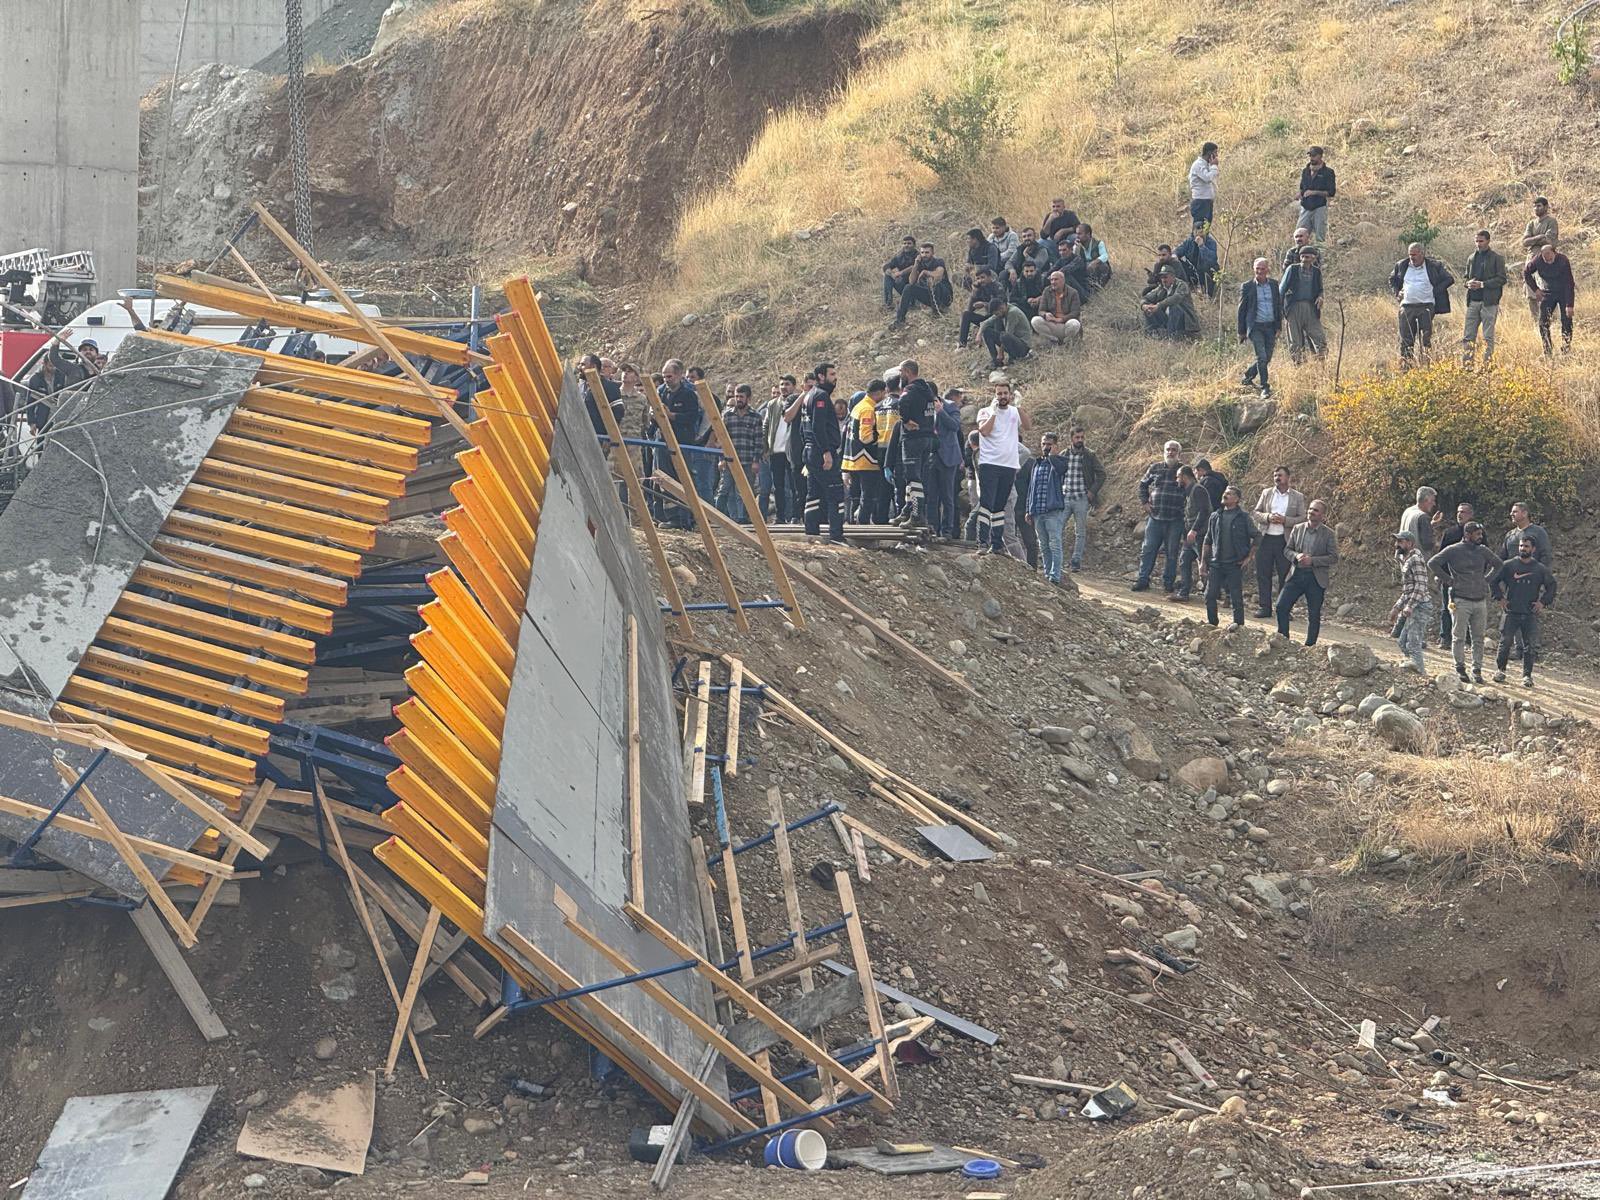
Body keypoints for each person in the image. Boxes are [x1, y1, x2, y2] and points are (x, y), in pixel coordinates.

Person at [1429, 521, 1499, 683]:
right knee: (1458, 636)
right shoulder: (1453, 550)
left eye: (1481, 534)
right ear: (1467, 535)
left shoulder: (1482, 550)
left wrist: (1486, 580)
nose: (1480, 537)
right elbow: (1433, 563)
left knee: (1478, 638)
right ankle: (1460, 667)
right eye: (1477, 534)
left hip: (1480, 599)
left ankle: (1477, 669)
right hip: (1460, 599)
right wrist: (1449, 580)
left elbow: (1498, 564)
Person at [1490, 536, 1557, 687]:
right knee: (1505, 643)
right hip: (1511, 611)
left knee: (1530, 646)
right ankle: (1500, 671)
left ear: (1533, 549)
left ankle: (1527, 676)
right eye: (1521, 546)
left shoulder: (1540, 569)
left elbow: (1552, 586)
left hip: (1529, 613)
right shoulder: (1508, 565)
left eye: (1526, 546)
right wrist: (1500, 598)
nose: (1523, 549)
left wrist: (1542, 602)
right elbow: (1493, 581)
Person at [974, 379, 1029, 554]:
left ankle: (996, 543)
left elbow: (1028, 426)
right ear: (995, 395)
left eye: (1005, 393)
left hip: (1009, 465)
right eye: (999, 393)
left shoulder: (1014, 411)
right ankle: (983, 542)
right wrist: (994, 413)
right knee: (986, 503)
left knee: (1000, 506)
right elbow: (984, 431)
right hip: (990, 463)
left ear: (1010, 395)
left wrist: (1019, 407)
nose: (1002, 396)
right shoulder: (985, 411)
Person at [1275, 499, 1338, 646]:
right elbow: (1287, 550)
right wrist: (1296, 556)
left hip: (1315, 578)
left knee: (1313, 614)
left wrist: (1313, 560)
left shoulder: (1328, 534)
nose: (1311, 512)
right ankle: (1283, 640)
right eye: (1310, 509)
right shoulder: (1297, 528)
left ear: (1322, 515)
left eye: (1315, 510)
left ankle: (1310, 647)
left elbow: (1333, 557)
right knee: (1281, 606)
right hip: (1296, 574)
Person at [892, 359, 940, 531]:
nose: (900, 376)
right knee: (915, 477)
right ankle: (908, 509)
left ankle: (916, 515)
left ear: (907, 372)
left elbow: (902, 403)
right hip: (928, 438)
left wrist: (905, 420)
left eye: (901, 372)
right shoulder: (927, 390)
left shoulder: (910, 390)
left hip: (913, 437)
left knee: (913, 477)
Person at [1252, 465, 1306, 616]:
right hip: (1266, 538)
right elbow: (1256, 513)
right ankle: (1265, 607)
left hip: (1285, 541)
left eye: (1280, 475)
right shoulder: (1267, 493)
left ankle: (1284, 609)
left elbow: (1303, 518)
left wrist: (1285, 520)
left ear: (1288, 477)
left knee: (1285, 575)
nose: (1277, 478)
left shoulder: (1297, 496)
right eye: (1275, 475)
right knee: (1263, 573)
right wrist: (1268, 517)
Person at [1200, 485, 1257, 627]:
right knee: (1209, 595)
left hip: (1235, 564)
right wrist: (1203, 562)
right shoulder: (1215, 516)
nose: (1225, 495)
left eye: (1229, 493)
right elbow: (1208, 540)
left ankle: (1239, 626)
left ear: (1237, 499)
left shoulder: (1243, 517)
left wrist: (1249, 557)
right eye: (1225, 492)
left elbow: (1257, 536)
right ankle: (1212, 624)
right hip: (1216, 563)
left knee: (1236, 598)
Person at [800, 363, 844, 542]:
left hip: (810, 450)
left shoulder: (808, 396)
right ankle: (836, 536)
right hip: (821, 452)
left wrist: (808, 450)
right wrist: (826, 452)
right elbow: (817, 427)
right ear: (821, 376)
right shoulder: (821, 396)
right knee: (836, 493)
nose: (835, 378)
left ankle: (811, 533)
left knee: (814, 494)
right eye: (832, 374)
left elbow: (802, 428)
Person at [1134, 440, 1186, 593]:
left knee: (1172, 552)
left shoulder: (1184, 470)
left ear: (1179, 453)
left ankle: (1168, 583)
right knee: (1148, 549)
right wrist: (1145, 502)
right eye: (1168, 449)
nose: (1170, 452)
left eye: (1174, 450)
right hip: (1155, 517)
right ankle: (1143, 580)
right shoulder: (1155, 467)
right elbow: (1143, 485)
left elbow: (1191, 489)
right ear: (1164, 452)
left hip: (1175, 519)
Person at [1389, 242, 1455, 363]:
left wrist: (1434, 291)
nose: (1412, 257)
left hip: (1426, 307)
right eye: (1410, 254)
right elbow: (1392, 279)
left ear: (1422, 254)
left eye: (1414, 254)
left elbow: (1449, 279)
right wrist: (1397, 293)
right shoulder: (1402, 265)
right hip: (1406, 307)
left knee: (1425, 339)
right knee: (1406, 340)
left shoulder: (1434, 266)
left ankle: (1426, 366)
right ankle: (1406, 367)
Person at [655, 359, 701, 528]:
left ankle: (688, 517)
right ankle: (672, 517)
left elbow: (692, 417)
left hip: (682, 442)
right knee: (665, 479)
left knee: (684, 479)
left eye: (670, 376)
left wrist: (672, 416)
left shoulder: (689, 394)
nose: (666, 380)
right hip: (663, 441)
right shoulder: (660, 392)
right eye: (664, 376)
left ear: (680, 375)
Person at [715, 384, 765, 523]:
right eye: (736, 396)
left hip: (747, 460)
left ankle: (743, 519)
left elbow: (758, 440)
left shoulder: (755, 416)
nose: (738, 399)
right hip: (729, 460)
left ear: (748, 398)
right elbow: (721, 439)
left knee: (744, 491)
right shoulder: (727, 415)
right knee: (724, 489)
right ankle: (717, 516)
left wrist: (756, 461)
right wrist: (721, 458)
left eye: (741, 397)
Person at [1025, 432, 1071, 583]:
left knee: (1055, 544)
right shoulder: (1037, 463)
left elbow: (1061, 470)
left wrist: (1052, 456)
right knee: (1044, 545)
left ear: (1056, 446)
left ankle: (1055, 576)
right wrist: (1029, 509)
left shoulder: (1061, 461)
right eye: (1043, 444)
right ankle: (1047, 574)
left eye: (1049, 444)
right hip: (1038, 511)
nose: (1045, 447)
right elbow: (1032, 487)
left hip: (1053, 511)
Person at [1237, 258, 1284, 397]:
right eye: (1257, 268)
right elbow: (1241, 310)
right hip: (1255, 326)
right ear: (1253, 269)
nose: (1259, 271)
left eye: (1262, 268)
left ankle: (1248, 376)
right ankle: (1265, 387)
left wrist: (1279, 326)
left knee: (1267, 357)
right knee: (1262, 357)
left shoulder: (1274, 285)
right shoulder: (1247, 286)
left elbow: (1278, 306)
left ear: (1267, 269)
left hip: (1270, 326)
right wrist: (1241, 331)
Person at [1059, 425, 1103, 573]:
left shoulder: (1089, 455)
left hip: (1081, 498)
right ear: (1071, 438)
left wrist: (1092, 491)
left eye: (1082, 437)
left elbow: (1102, 474)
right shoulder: (1064, 454)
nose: (1080, 440)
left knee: (1080, 532)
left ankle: (1076, 561)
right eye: (1077, 437)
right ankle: (1057, 559)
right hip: (1065, 497)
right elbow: (1057, 474)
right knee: (1058, 528)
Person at [1460, 229, 1507, 367]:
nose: (1478, 244)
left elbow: (1502, 279)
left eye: (1481, 241)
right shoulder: (1471, 258)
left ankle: (1487, 367)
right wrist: (1468, 283)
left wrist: (1483, 284)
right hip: (1473, 302)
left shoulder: (1497, 258)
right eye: (1476, 241)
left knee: (1488, 337)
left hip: (1489, 303)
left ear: (1488, 241)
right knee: (1468, 336)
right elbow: (1465, 278)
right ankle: (1467, 367)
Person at [1389, 529, 1434, 673]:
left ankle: (1420, 674)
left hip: (1421, 606)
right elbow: (1407, 590)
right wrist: (1397, 607)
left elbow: (1421, 585)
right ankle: (1414, 670)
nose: (1397, 544)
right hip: (1413, 606)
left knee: (1413, 643)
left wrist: (1409, 606)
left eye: (1400, 541)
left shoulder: (1415, 559)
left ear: (1410, 543)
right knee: (1402, 642)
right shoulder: (1405, 559)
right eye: (1396, 541)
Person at [843, 379, 885, 523]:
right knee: (868, 496)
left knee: (857, 495)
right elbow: (865, 437)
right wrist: (880, 439)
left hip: (853, 459)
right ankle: (863, 523)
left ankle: (854, 522)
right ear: (878, 393)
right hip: (866, 460)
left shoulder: (858, 406)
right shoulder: (868, 408)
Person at [1524, 243, 1575, 356]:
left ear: (1554, 253)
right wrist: (1535, 289)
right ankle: (1547, 350)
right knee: (1543, 322)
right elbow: (1526, 273)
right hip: (1548, 292)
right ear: (1541, 255)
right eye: (1545, 257)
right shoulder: (1537, 260)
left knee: (1566, 320)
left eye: (1550, 256)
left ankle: (1566, 349)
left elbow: (1569, 283)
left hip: (1563, 292)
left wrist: (1569, 304)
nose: (1548, 259)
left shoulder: (1563, 260)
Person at [1436, 500, 1476, 648]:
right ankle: (1445, 638)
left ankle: (1468, 640)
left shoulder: (1478, 533)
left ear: (1471, 515)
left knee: (1469, 609)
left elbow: (1484, 556)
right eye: (1458, 512)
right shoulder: (1450, 533)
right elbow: (1440, 556)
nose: (1460, 515)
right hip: (1450, 578)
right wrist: (1441, 575)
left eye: (1463, 512)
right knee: (1448, 608)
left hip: (1470, 580)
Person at [1172, 464, 1211, 601]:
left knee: (1205, 565)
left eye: (1178, 477)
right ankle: (1184, 593)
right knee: (1184, 560)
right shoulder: (1189, 491)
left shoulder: (1198, 490)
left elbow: (1204, 511)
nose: (1177, 480)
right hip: (1191, 535)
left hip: (1200, 535)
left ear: (1184, 476)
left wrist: (1194, 530)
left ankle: (1212, 594)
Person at [1280, 247, 1326, 363]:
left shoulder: (1316, 272)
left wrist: (1320, 297)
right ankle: (1299, 367)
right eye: (1303, 256)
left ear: (1313, 258)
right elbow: (1281, 290)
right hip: (1293, 308)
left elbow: (1320, 289)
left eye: (1307, 256)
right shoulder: (1292, 269)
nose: (1304, 259)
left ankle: (1322, 366)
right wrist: (1280, 310)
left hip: (1311, 308)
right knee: (1295, 342)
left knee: (1320, 339)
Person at [930, 388, 965, 539]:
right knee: (932, 497)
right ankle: (932, 529)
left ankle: (947, 531)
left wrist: (940, 411)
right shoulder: (923, 407)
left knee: (947, 496)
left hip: (948, 456)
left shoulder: (950, 406)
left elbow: (954, 426)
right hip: (931, 456)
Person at [1522, 196, 1560, 323]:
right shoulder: (1531, 223)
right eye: (1534, 206)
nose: (1536, 209)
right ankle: (1536, 322)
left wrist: (1533, 239)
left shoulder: (1551, 221)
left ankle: (1551, 321)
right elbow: (1524, 242)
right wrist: (1539, 237)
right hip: (1531, 259)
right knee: (1530, 292)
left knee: (1547, 291)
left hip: (1545, 260)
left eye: (1539, 206)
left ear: (1546, 207)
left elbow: (1548, 240)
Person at [892, 243, 951, 323]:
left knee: (934, 282)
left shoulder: (938, 261)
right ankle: (900, 320)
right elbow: (911, 281)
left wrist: (925, 272)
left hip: (944, 296)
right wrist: (916, 264)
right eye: (922, 252)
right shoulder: (920, 264)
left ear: (932, 253)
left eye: (927, 252)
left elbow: (938, 275)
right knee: (908, 287)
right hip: (930, 296)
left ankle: (937, 312)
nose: (924, 255)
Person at [875, 372, 904, 523]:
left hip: (879, 449)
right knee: (899, 487)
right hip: (896, 449)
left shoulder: (878, 406)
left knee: (882, 489)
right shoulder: (900, 404)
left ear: (886, 388)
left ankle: (881, 519)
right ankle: (899, 515)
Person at [1144, 265, 1201, 339]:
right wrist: (1144, 306)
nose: (1163, 280)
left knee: (1174, 307)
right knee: (1149, 308)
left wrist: (1158, 305)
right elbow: (1146, 298)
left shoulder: (1182, 285)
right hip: (1169, 320)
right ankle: (1152, 333)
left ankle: (1171, 335)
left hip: (1185, 322)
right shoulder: (1162, 287)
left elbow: (1176, 298)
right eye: (1161, 277)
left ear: (1173, 277)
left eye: (1165, 277)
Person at [1296, 145, 1336, 243]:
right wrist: (1300, 194)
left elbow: (1331, 192)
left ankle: (1320, 252)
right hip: (1306, 206)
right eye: (1310, 155)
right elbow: (1302, 188)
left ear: (1320, 156)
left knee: (1320, 236)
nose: (1311, 158)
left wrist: (1314, 192)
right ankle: (1300, 252)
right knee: (1300, 234)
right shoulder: (1305, 171)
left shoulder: (1328, 172)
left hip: (1319, 207)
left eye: (1314, 156)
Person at [959, 267, 1005, 350]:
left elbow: (1000, 305)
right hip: (988, 319)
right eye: (978, 278)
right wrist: (974, 293)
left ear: (989, 277)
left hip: (999, 318)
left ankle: (998, 343)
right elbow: (970, 309)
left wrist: (985, 304)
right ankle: (962, 345)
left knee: (997, 319)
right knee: (966, 314)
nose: (980, 280)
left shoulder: (997, 286)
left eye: (983, 277)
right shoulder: (980, 288)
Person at [1032, 271, 1083, 345]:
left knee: (1075, 323)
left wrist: (1061, 319)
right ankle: (1053, 340)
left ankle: (1066, 342)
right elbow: (1041, 311)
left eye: (1056, 279)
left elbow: (1075, 312)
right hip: (1052, 324)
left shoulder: (1073, 293)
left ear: (1063, 280)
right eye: (1051, 280)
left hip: (1066, 325)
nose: (1053, 282)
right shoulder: (1047, 291)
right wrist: (1045, 314)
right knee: (1035, 320)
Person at [980, 299, 1032, 368]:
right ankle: (995, 361)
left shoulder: (1012, 312)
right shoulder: (1003, 310)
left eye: (997, 314)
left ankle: (1013, 358)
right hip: (1012, 341)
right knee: (987, 332)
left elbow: (1008, 333)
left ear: (1001, 308)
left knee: (1004, 335)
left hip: (1023, 346)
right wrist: (979, 335)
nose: (997, 316)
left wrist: (1000, 352)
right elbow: (986, 322)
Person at [1176, 222, 1220, 299]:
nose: (1199, 235)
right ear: (1193, 232)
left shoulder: (1211, 243)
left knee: (1209, 267)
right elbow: (1178, 250)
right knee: (1178, 263)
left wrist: (1202, 246)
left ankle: (1207, 293)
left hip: (1206, 271)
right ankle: (1186, 288)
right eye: (1197, 232)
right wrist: (1175, 255)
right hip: (1193, 271)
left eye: (1202, 232)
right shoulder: (1189, 241)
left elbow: (1212, 259)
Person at [881, 235, 919, 310]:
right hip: (903, 285)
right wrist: (892, 274)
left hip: (916, 287)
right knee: (887, 276)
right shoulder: (900, 256)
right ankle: (888, 303)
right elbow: (886, 266)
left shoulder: (919, 255)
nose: (906, 245)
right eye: (904, 243)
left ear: (914, 245)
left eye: (909, 243)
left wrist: (900, 273)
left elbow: (914, 267)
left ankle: (913, 302)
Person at [1400, 485, 1438, 558]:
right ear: (1425, 500)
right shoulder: (1423, 517)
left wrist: (1431, 524)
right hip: (1418, 561)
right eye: (1432, 500)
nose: (1434, 504)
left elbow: (1415, 530)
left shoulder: (1408, 511)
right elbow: (1427, 544)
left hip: (1405, 559)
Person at [1189, 142, 1220, 228]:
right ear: (1209, 153)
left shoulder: (1207, 165)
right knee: (1199, 229)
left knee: (1205, 229)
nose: (1217, 155)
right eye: (1215, 152)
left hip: (1207, 201)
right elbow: (1207, 178)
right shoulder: (1198, 165)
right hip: (1200, 202)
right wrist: (1214, 166)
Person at [1074, 224, 1112, 289]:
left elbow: (1105, 256)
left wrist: (1094, 262)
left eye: (1080, 234)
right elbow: (1074, 260)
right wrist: (1075, 248)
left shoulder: (1099, 243)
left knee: (1103, 265)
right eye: (1076, 234)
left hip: (1096, 268)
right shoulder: (1078, 246)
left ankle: (1101, 287)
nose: (1077, 236)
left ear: (1088, 234)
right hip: (1085, 269)